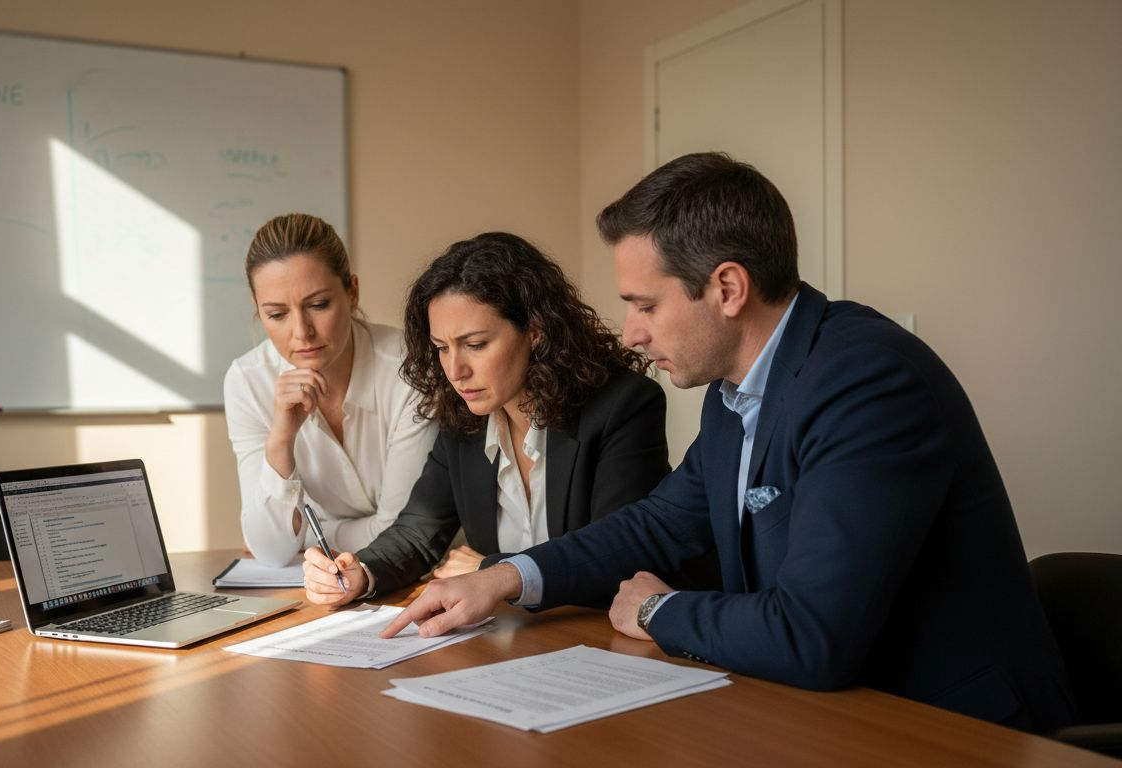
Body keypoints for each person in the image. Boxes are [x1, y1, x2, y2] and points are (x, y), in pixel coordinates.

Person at [381, 153, 1076, 732]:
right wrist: (506, 578)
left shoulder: (868, 382)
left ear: (728, 288)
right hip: (827, 712)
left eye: (645, 305)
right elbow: (659, 524)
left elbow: (813, 636)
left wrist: (659, 609)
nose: (630, 333)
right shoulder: (733, 394)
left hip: (954, 728)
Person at [302, 232, 670, 605]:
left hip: (603, 642)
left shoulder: (624, 407)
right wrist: (361, 572)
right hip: (508, 643)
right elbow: (418, 530)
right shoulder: (464, 420)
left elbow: (617, 559)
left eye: (475, 345)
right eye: (442, 348)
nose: (455, 370)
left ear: (536, 331)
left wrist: (495, 573)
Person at [224, 213, 437, 566]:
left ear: (352, 292)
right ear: (259, 311)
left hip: (426, 574)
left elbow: (402, 531)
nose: (301, 332)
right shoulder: (247, 381)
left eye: (318, 305)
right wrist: (280, 441)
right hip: (333, 582)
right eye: (277, 314)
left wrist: (307, 537)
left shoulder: (408, 367)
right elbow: (271, 551)